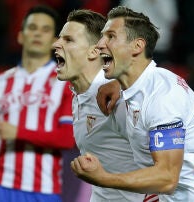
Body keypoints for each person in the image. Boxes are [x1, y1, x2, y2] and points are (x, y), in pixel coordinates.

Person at [70, 6, 194, 201]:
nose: (100, 44)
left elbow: (167, 178)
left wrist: (104, 178)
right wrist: (119, 84)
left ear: (137, 46)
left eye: (110, 36)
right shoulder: (136, 89)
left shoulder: (162, 96)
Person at [0, 5, 75, 202]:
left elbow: (68, 138)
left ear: (55, 41)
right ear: (20, 36)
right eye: (32, 28)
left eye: (45, 30)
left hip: (42, 188)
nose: (37, 34)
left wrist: (18, 132)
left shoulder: (65, 82)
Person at [52, 9, 157, 202]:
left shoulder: (117, 97)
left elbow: (166, 165)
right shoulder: (80, 94)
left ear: (94, 51)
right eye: (60, 38)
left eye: (68, 40)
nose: (56, 44)